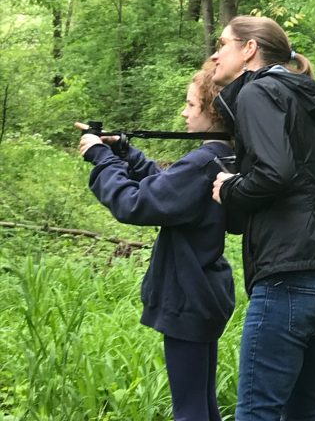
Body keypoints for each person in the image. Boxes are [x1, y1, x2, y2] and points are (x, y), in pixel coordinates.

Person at [209, 15, 315, 421]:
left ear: (249, 49)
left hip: (289, 279)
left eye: (222, 44)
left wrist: (230, 188)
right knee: (303, 411)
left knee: (257, 412)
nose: (215, 54)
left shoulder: (257, 94)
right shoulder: (300, 97)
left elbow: (275, 172)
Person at [76, 63, 235, 421]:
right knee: (203, 402)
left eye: (190, 105)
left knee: (190, 409)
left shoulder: (202, 162)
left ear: (212, 112)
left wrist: (101, 158)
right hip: (205, 290)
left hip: (188, 294)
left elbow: (134, 204)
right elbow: (168, 191)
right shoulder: (221, 155)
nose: (183, 112)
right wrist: (125, 153)